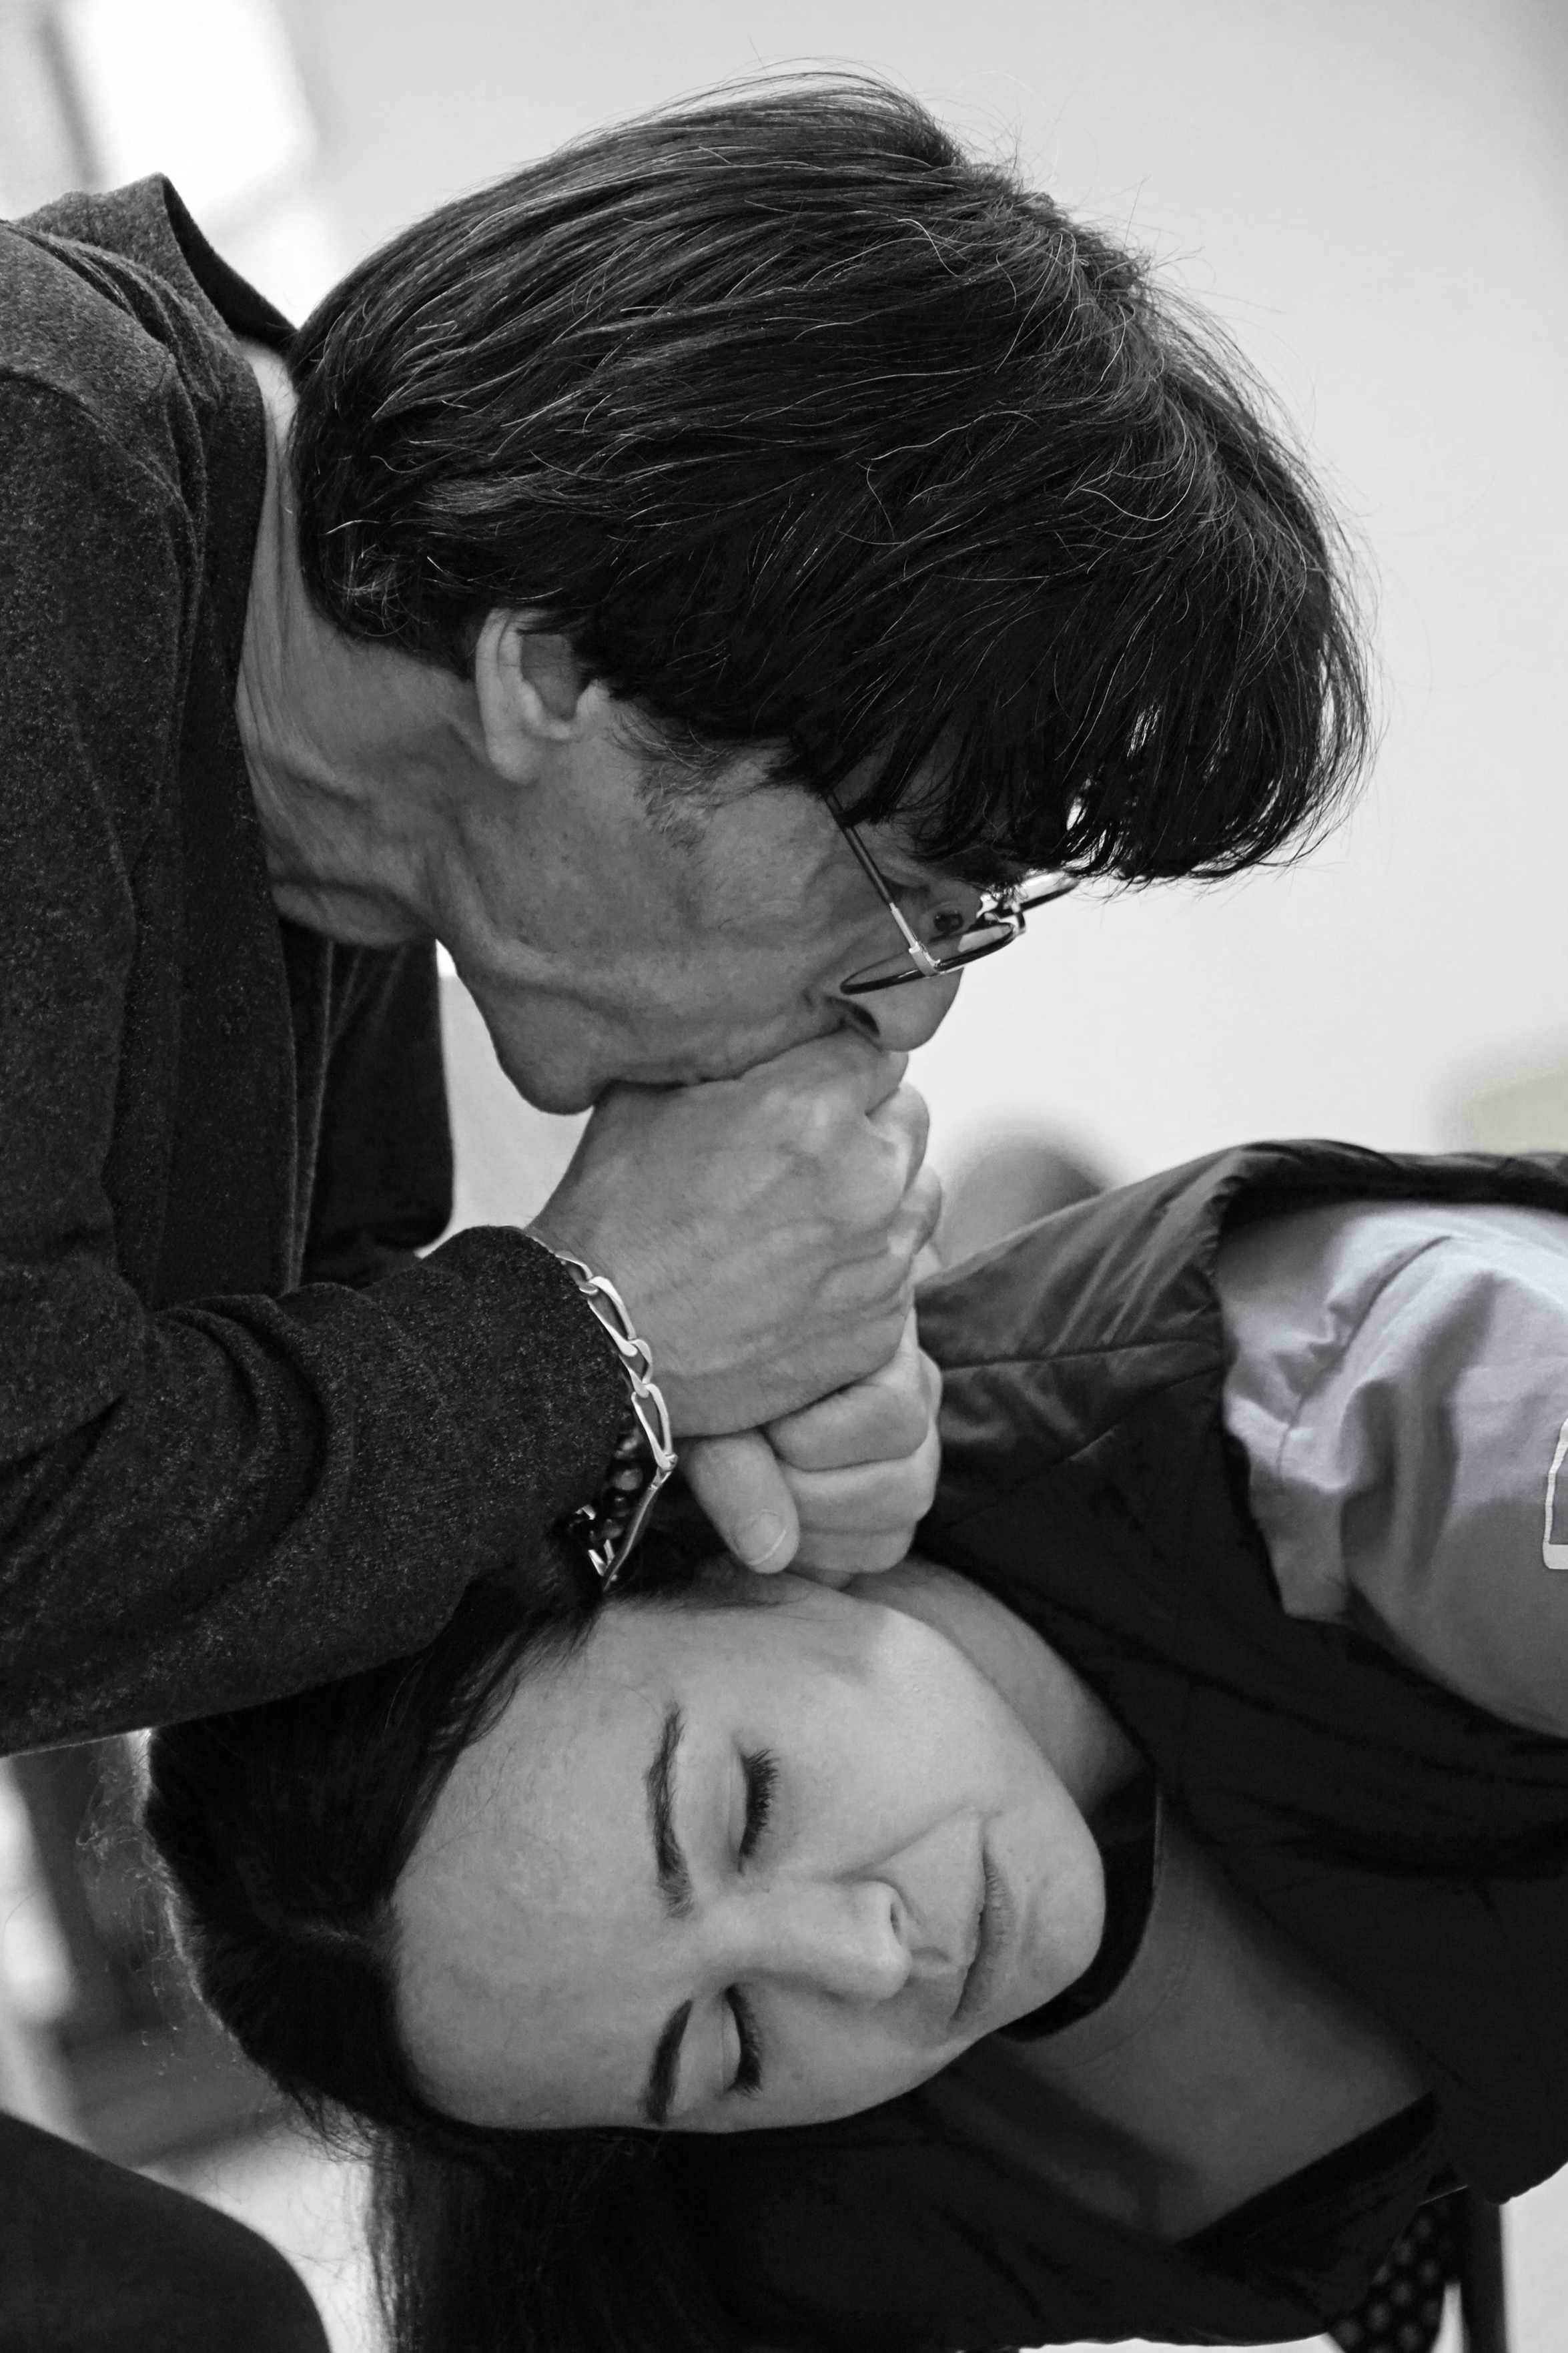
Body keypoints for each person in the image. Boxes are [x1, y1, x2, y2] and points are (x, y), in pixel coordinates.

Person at [2, 72, 1367, 2346]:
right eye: (904, 888)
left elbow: (298, 1608)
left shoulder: (326, 874)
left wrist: (696, 1457)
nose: (899, 1012)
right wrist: (602, 1327)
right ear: (555, 664)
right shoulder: (31, 463)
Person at [145, 1136, 1568, 2353]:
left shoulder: (1384, 1419)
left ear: (724, 1537)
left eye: (749, 1807)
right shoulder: (775, 2194)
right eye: (727, 2041)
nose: (871, 1961)